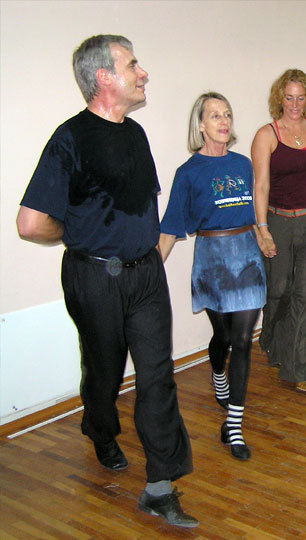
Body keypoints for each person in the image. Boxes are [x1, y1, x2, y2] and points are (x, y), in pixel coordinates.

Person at [16, 35, 196, 527]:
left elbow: (144, 206)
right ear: (104, 78)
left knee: (159, 376)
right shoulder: (69, 138)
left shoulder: (135, 135)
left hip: (145, 275)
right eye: (133, 64)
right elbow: (30, 223)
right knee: (105, 373)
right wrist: (76, 237)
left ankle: (160, 485)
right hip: (94, 277)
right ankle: (99, 426)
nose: (144, 73)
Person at [158, 92, 265, 461]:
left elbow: (255, 209)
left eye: (228, 114)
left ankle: (233, 425)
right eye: (214, 115)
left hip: (247, 256)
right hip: (212, 260)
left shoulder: (243, 164)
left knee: (244, 340)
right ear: (200, 125)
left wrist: (264, 233)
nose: (223, 121)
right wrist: (151, 271)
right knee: (222, 336)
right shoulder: (188, 173)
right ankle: (217, 372)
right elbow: (171, 226)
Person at [251, 69, 306, 393]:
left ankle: (300, 367)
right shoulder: (266, 135)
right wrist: (262, 230)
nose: (295, 104)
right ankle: (272, 339)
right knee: (279, 289)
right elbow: (260, 185)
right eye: (289, 97)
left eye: (301, 97)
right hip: (279, 221)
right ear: (279, 99)